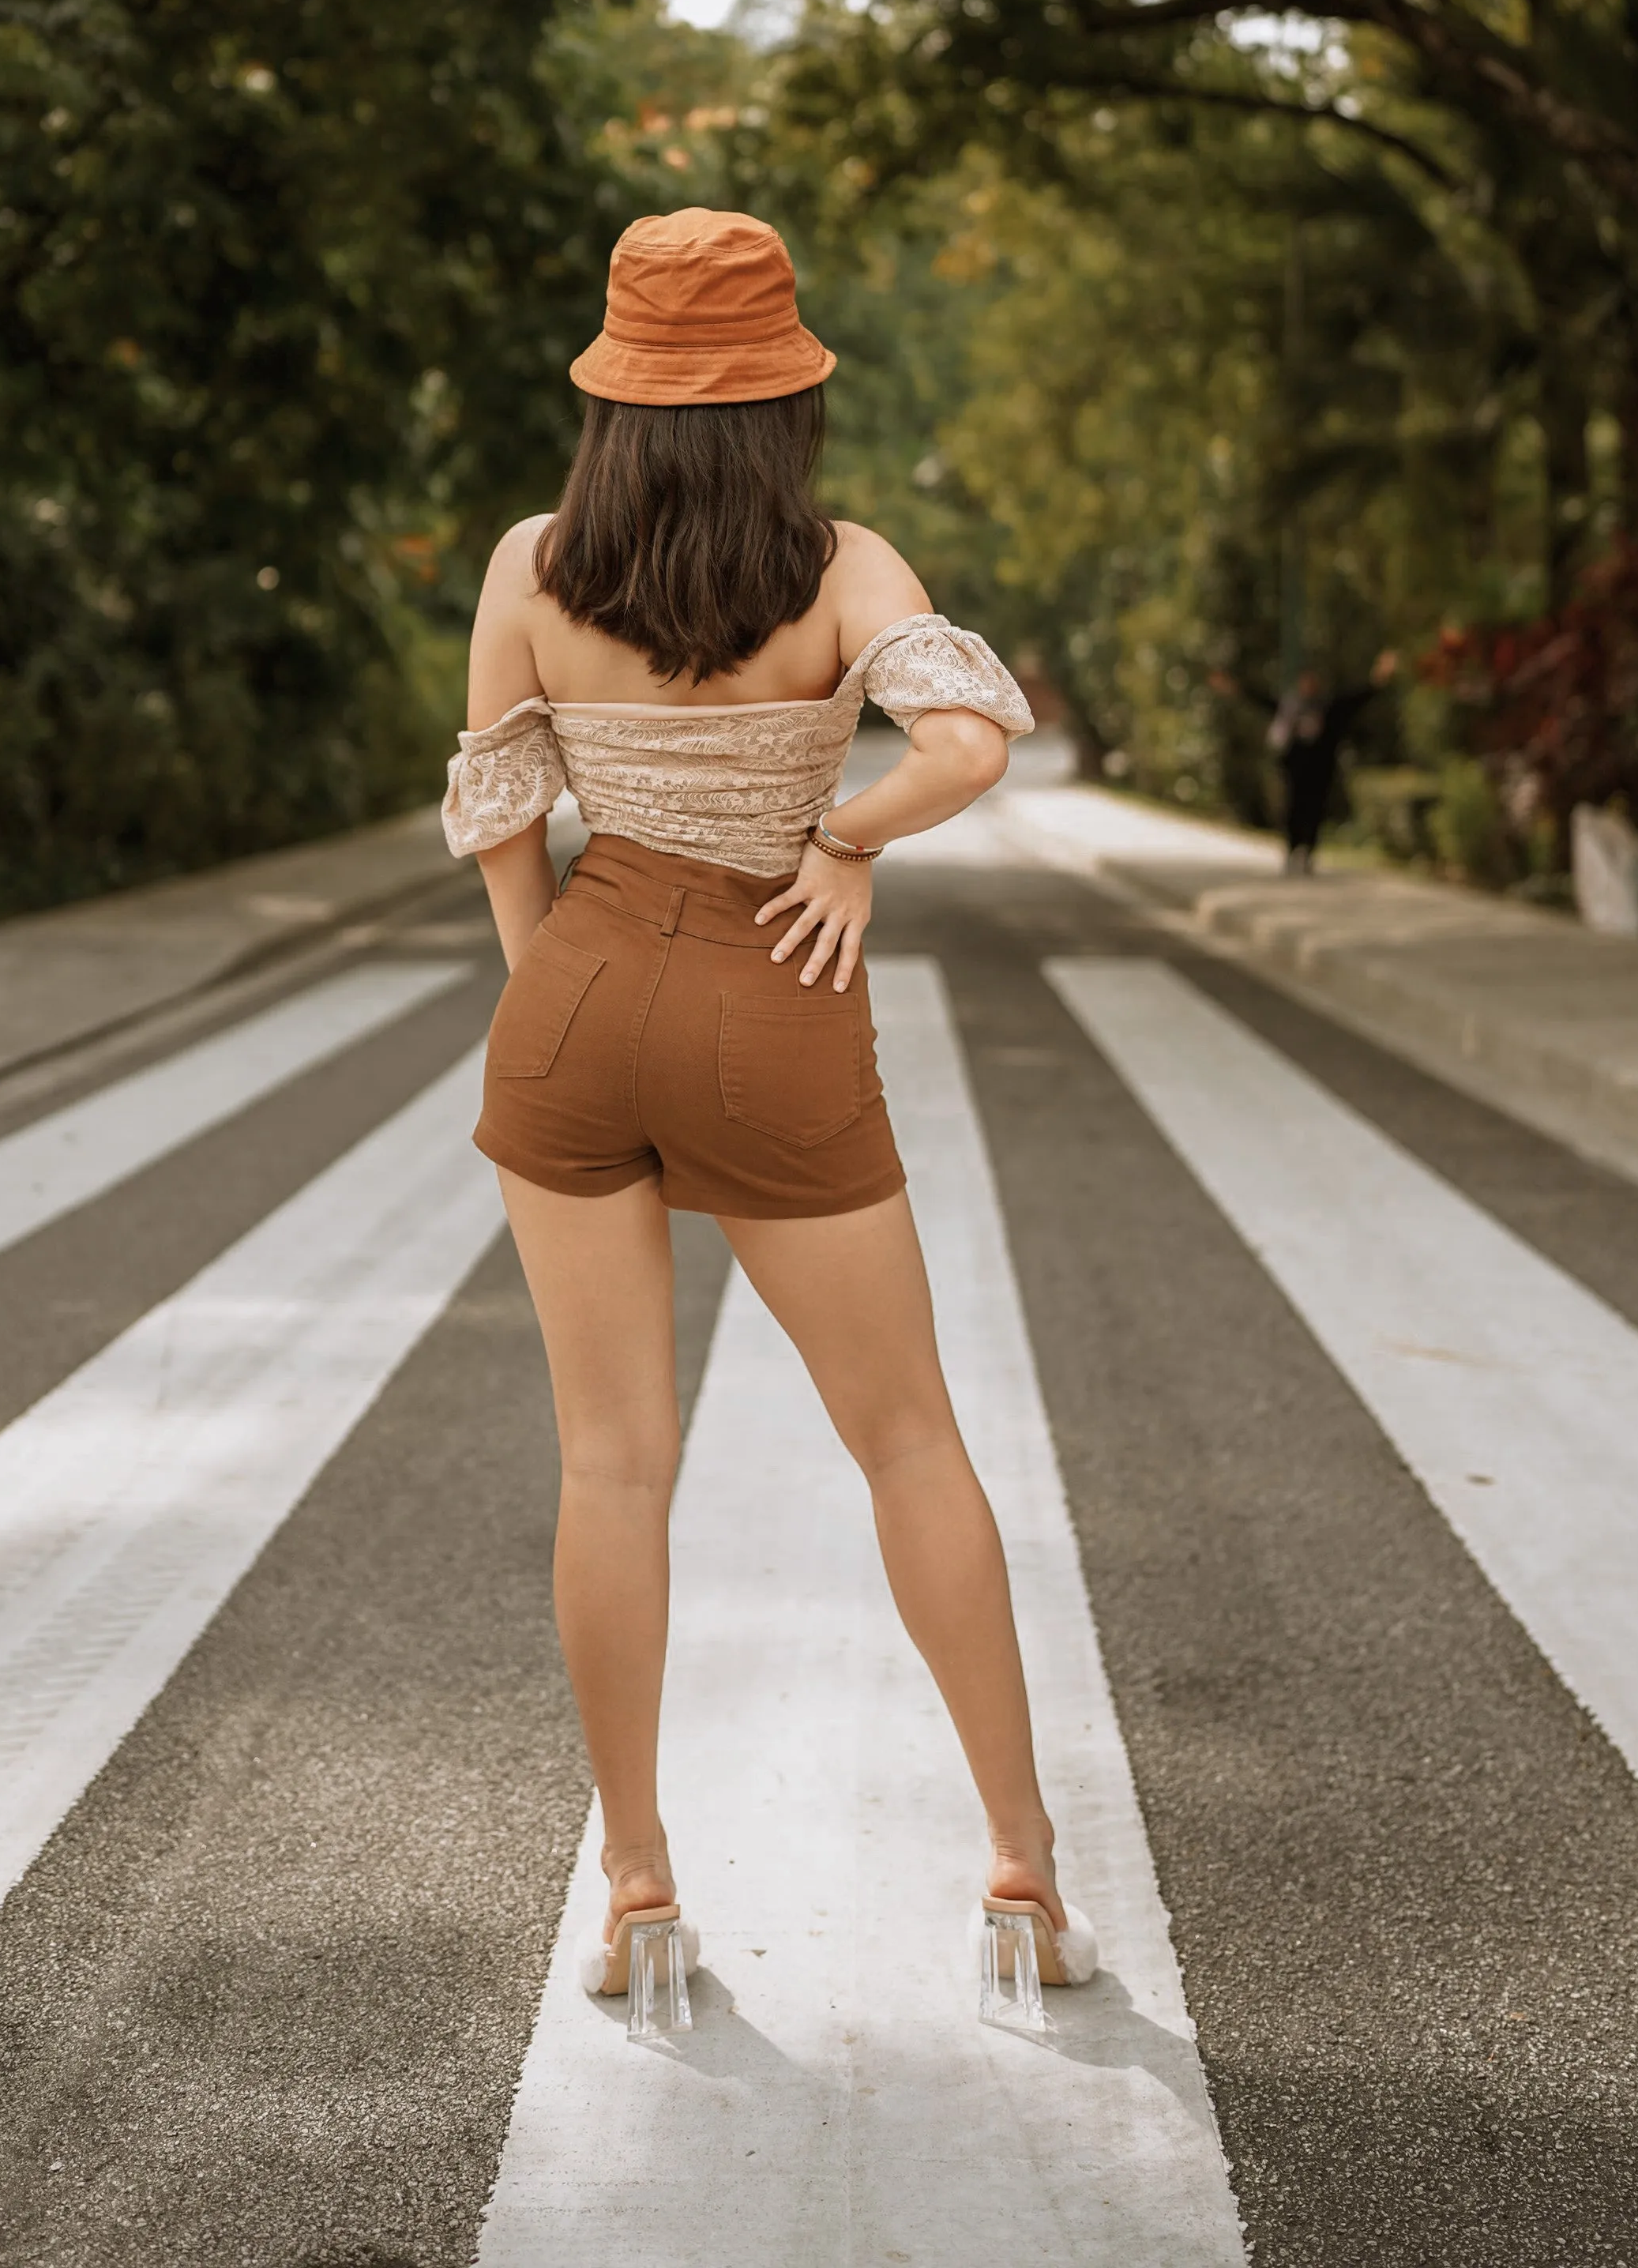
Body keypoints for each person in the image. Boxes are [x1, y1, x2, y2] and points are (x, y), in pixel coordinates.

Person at [441, 207, 1098, 2014]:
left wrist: (543, 975)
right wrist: (844, 836)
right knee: (905, 1440)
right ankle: (1025, 1871)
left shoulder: (528, 561)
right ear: (786, 393)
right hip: (773, 995)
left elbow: (502, 800)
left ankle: (639, 1884)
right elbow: (966, 738)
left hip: (577, 996)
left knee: (610, 1461)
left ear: (614, 398)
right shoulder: (838, 564)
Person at [1267, 649, 1399, 872]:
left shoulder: (1327, 708)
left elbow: (1357, 699)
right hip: (1295, 770)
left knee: (1314, 812)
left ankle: (1307, 852)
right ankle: (1292, 851)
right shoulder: (1291, 707)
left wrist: (1379, 678)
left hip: (1319, 771)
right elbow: (1262, 701)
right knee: (1293, 811)